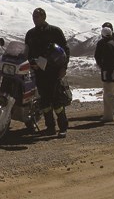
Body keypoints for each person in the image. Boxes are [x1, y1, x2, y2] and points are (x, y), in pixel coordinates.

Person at [25, 8, 70, 138]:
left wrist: (64, 67)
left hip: (53, 70)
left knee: (57, 100)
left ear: (44, 17)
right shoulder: (30, 34)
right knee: (44, 100)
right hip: (38, 71)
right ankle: (50, 127)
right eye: (33, 16)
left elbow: (65, 49)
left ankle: (63, 127)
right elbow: (26, 51)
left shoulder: (55, 31)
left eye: (37, 16)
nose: (35, 19)